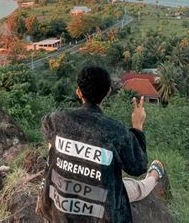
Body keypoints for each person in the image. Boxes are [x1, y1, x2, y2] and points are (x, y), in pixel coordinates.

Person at [37, 66, 165, 222]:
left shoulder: (57, 119)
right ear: (107, 93)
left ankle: (153, 177)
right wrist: (137, 126)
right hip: (103, 209)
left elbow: (47, 131)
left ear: (78, 92)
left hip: (61, 206)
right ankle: (154, 176)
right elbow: (137, 166)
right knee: (135, 187)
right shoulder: (116, 132)